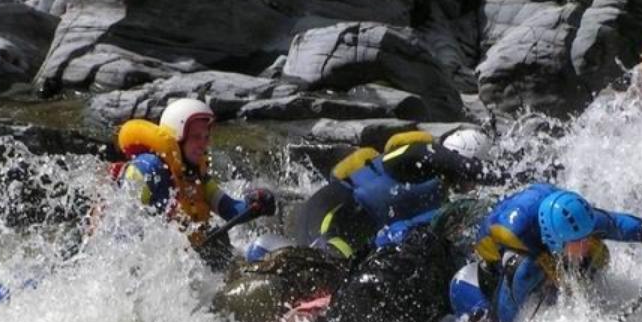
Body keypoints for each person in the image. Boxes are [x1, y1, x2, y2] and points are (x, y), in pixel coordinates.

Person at [447, 184, 642, 322]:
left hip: (542, 226)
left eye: (586, 237)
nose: (586, 244)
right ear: (555, 240)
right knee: (529, 274)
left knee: (598, 255)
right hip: (492, 258)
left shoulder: (582, 220)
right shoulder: (520, 246)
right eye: (578, 242)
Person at [111, 98, 275, 267]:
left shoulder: (196, 177)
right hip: (149, 267)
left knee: (224, 245)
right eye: (196, 137)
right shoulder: (147, 169)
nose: (204, 144)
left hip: (188, 265)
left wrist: (255, 205)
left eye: (206, 136)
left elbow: (229, 209)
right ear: (177, 138)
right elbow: (124, 230)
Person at [296, 128, 500, 260]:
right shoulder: (415, 158)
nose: (473, 187)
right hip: (329, 214)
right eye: (472, 180)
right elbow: (434, 158)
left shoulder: (441, 197)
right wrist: (496, 174)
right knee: (328, 270)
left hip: (343, 232)